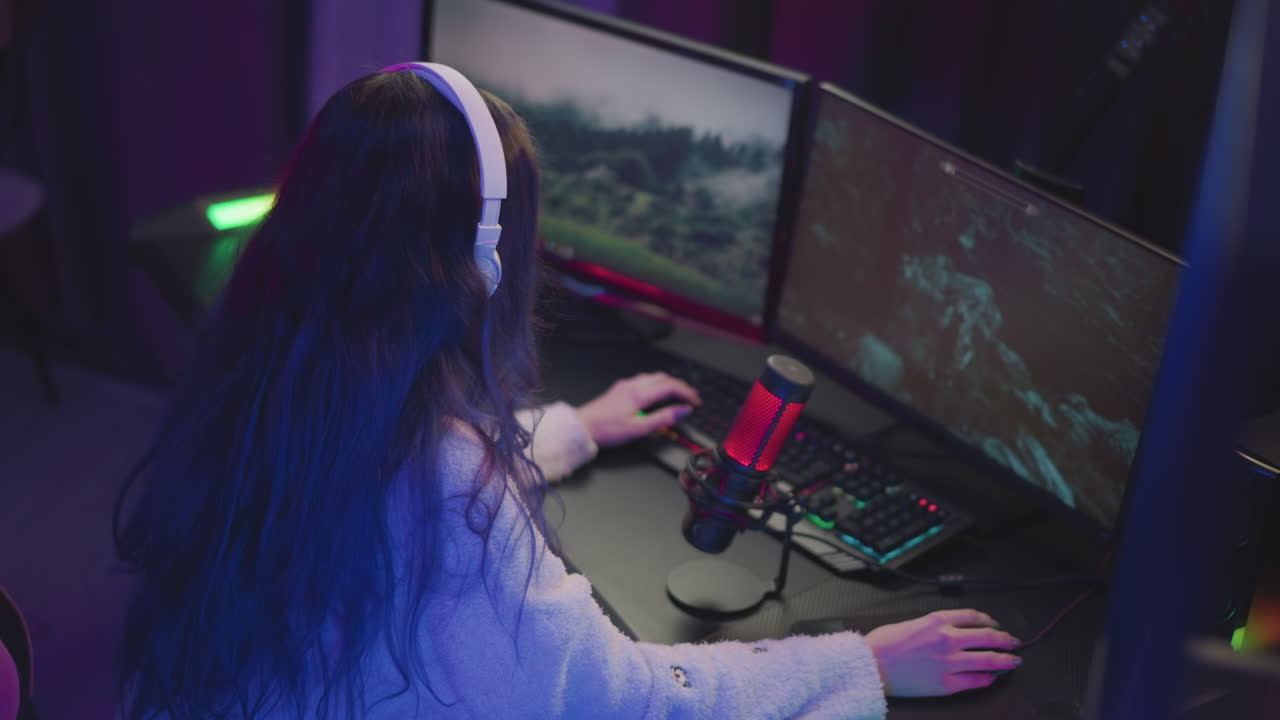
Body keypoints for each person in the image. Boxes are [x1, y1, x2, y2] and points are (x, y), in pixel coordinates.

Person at [113, 66, 1022, 720]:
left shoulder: (270, 368)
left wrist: (574, 428)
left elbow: (384, 472)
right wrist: (857, 662)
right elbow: (616, 700)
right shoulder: (450, 492)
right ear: (479, 260)